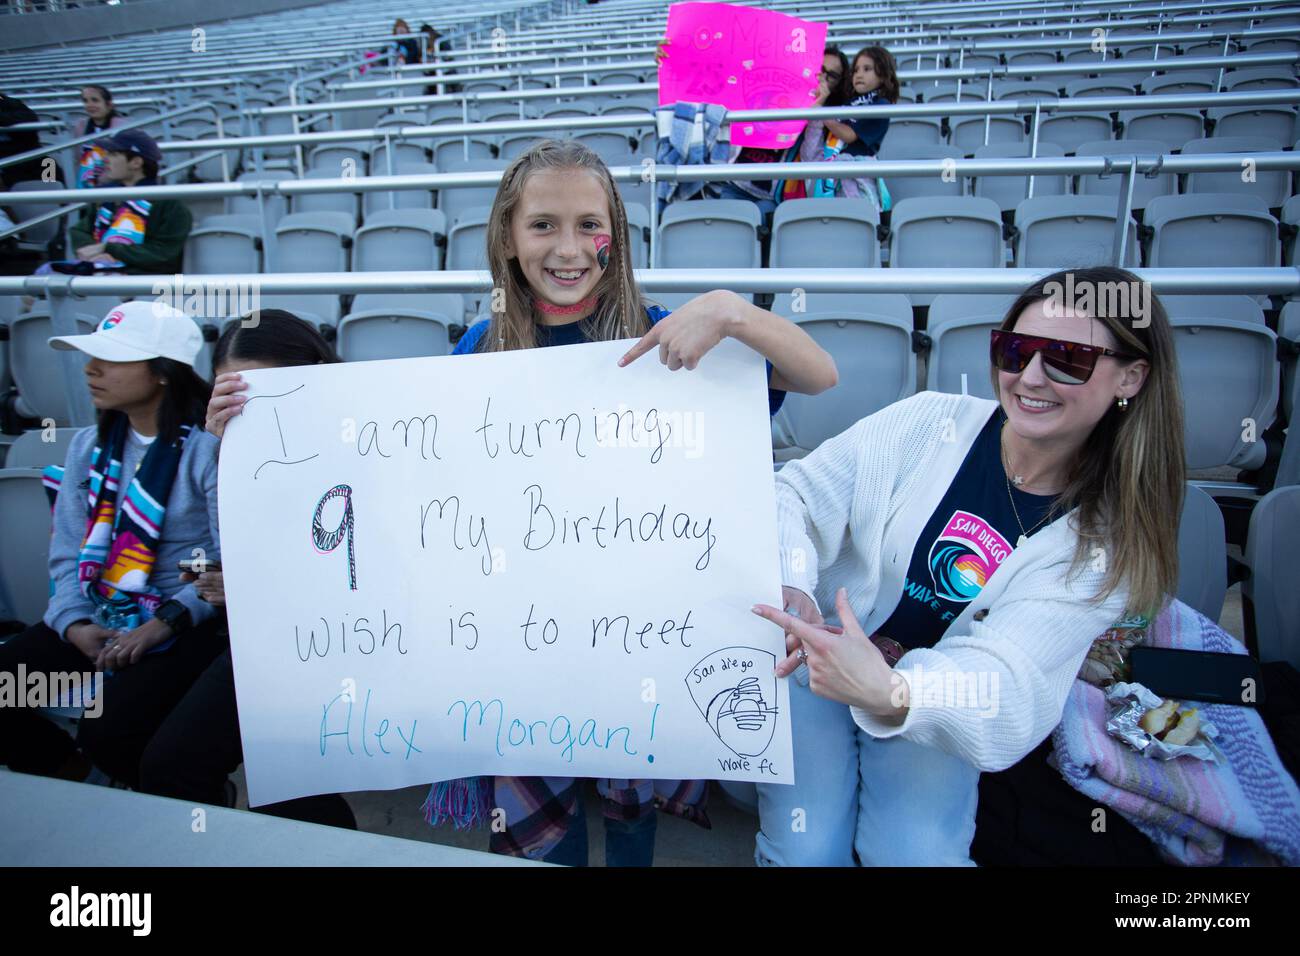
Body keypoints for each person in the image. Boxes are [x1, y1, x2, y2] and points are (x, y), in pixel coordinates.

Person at [450, 138, 838, 865]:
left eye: (590, 225)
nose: (570, 248)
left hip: (645, 624)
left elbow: (818, 376)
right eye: (543, 225)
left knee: (634, 797)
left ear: (616, 235)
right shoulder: (480, 349)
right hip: (527, 625)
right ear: (507, 234)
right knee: (542, 810)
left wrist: (729, 311)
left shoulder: (669, 334)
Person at [750, 265, 1186, 865]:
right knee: (804, 851)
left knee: (916, 859)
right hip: (813, 663)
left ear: (1131, 378)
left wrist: (895, 691)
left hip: (934, 707)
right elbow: (793, 492)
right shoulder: (929, 421)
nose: (1030, 377)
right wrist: (793, 582)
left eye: (1067, 358)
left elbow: (1010, 682)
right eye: (1014, 350)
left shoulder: (1105, 546)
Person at [137, 311, 358, 829]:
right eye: (233, 393)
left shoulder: (370, 436)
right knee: (175, 766)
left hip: (353, 638)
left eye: (271, 388)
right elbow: (243, 549)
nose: (252, 407)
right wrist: (227, 453)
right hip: (267, 636)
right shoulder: (221, 451)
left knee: (198, 768)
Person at [0, 301, 225, 787]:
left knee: (111, 731)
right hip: (100, 614)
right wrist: (73, 624)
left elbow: (226, 561)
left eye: (113, 359)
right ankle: (69, 773)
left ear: (164, 373)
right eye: (91, 356)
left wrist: (164, 624)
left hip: (185, 624)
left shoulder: (209, 450)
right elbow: (67, 554)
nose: (91, 369)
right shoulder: (87, 447)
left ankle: (191, 800)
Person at [64, 129, 192, 274]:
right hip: (98, 271)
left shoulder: (169, 204)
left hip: (141, 284)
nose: (106, 159)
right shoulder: (106, 196)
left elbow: (164, 254)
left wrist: (109, 249)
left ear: (136, 162)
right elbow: (79, 231)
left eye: (114, 154)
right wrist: (96, 254)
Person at [797, 45, 899, 203]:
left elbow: (849, 135)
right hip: (836, 178)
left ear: (883, 74)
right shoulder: (848, 104)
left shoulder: (880, 104)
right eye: (856, 70)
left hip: (858, 183)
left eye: (867, 69)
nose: (859, 74)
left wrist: (823, 113)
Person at [74, 85, 125, 189]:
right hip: (87, 182)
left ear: (109, 105)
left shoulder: (121, 126)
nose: (90, 105)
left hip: (116, 183)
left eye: (95, 100)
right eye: (86, 101)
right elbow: (78, 160)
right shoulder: (80, 127)